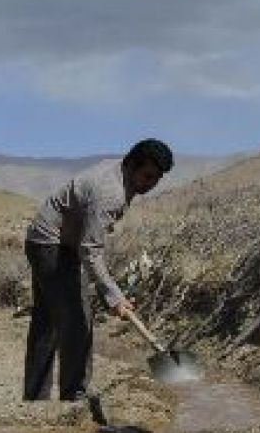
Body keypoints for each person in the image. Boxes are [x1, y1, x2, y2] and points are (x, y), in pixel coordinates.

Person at [23, 138, 173, 404]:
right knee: (77, 321)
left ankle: (36, 399)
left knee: (48, 322)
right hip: (52, 245)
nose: (151, 184)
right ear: (131, 165)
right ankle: (74, 396)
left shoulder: (121, 173)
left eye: (157, 179)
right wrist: (114, 297)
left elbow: (87, 242)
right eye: (148, 176)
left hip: (45, 239)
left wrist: (111, 294)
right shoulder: (110, 192)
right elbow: (90, 249)